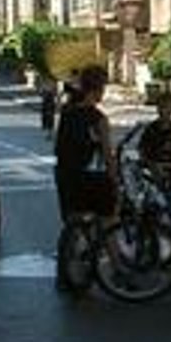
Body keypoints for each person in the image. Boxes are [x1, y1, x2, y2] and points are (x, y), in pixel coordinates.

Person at [54, 65, 118, 225]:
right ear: (97, 90)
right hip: (91, 178)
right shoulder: (98, 119)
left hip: (66, 175)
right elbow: (107, 154)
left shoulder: (67, 112)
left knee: (75, 222)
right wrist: (115, 179)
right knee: (109, 222)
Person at [137, 90, 171, 192]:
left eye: (165, 107)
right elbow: (142, 150)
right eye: (159, 106)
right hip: (154, 170)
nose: (161, 110)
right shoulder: (151, 129)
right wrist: (152, 164)